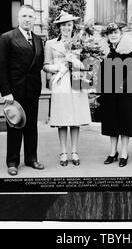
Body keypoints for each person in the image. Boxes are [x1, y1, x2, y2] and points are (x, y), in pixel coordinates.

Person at [0, 4, 45, 176]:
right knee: (15, 125)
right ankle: (12, 161)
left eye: (30, 16)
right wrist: (6, 92)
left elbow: (38, 65)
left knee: (31, 126)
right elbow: (0, 67)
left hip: (32, 89)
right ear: (18, 18)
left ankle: (31, 158)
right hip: (15, 91)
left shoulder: (39, 39)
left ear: (35, 19)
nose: (27, 19)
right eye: (24, 16)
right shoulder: (7, 38)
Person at [43, 10, 91, 167]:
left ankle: (75, 151)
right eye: (63, 25)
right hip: (61, 82)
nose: (66, 28)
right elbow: (45, 66)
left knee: (76, 118)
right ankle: (63, 152)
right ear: (59, 27)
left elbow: (88, 65)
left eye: (69, 25)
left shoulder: (80, 43)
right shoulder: (51, 44)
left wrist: (75, 62)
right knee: (62, 119)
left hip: (77, 81)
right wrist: (59, 66)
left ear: (73, 26)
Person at [97, 23, 132, 167]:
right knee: (111, 123)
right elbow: (102, 72)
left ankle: (124, 153)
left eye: (116, 32)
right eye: (110, 33)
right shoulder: (106, 51)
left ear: (121, 34)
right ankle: (112, 152)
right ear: (107, 36)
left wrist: (121, 86)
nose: (113, 35)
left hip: (126, 93)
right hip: (109, 93)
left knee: (124, 123)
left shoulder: (129, 50)